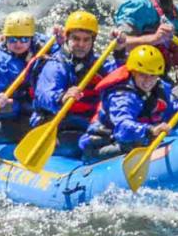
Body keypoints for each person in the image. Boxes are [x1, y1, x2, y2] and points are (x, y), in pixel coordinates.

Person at [78, 45, 178, 160]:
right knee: (132, 145)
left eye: (152, 75)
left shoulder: (161, 88)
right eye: (143, 74)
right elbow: (123, 127)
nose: (148, 80)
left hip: (139, 139)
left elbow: (169, 117)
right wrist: (149, 130)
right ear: (133, 72)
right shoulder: (121, 96)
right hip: (103, 145)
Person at [31, 10, 118, 158]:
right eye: (76, 39)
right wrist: (62, 97)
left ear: (93, 41)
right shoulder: (57, 65)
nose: (81, 44)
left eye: (86, 40)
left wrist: (120, 52)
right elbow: (45, 94)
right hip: (59, 125)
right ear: (67, 38)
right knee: (73, 145)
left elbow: (123, 76)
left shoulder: (99, 64)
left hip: (89, 124)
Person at [0, 12, 46, 142]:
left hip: (35, 111)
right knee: (9, 131)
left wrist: (63, 41)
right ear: (5, 38)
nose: (18, 44)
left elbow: (65, 50)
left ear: (31, 38)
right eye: (12, 39)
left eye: (23, 39)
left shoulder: (43, 46)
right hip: (11, 118)